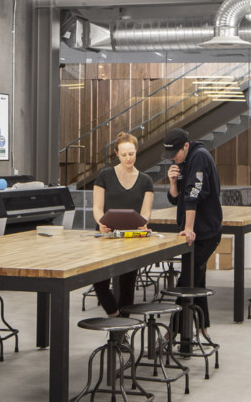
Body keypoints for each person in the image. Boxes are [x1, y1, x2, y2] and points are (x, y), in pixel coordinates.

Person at [91, 131, 156, 316]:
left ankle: (121, 332)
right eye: (124, 154)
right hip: (106, 237)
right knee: (100, 282)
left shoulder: (146, 180)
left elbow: (146, 211)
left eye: (132, 154)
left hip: (131, 239)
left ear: (136, 152)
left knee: (128, 285)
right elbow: (97, 206)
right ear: (116, 154)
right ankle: (115, 317)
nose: (128, 158)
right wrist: (101, 222)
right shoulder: (105, 176)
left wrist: (143, 223)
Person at [164, 127, 223, 331]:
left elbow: (192, 195)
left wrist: (188, 229)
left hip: (204, 233)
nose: (173, 158)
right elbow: (175, 198)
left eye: (175, 154)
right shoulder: (184, 160)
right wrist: (173, 182)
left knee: (186, 283)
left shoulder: (199, 157)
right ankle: (203, 328)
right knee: (196, 281)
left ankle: (174, 334)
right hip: (198, 233)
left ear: (186, 146)